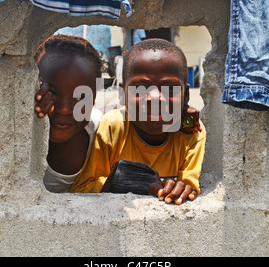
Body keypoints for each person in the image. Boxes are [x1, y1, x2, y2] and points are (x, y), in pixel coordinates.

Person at [69, 38, 206, 205]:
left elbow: (188, 188)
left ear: (185, 96)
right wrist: (123, 182)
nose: (154, 98)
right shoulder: (113, 127)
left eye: (169, 88)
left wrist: (180, 190)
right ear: (122, 95)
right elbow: (82, 189)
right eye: (140, 87)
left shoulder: (191, 134)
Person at [34, 34, 103, 193]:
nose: (64, 109)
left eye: (81, 97)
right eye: (50, 92)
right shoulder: (15, 134)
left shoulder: (102, 134)